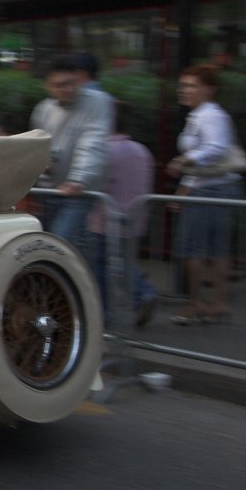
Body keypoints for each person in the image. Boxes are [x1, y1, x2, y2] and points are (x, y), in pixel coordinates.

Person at [164, 64, 246, 326]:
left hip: (213, 189)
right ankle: (215, 303)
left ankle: (197, 303)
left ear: (209, 89)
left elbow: (216, 149)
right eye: (184, 85)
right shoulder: (202, 115)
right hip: (212, 187)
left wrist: (185, 159)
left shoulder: (210, 115)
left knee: (193, 248)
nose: (185, 90)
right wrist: (185, 187)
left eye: (192, 86)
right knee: (212, 249)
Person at [29, 55, 112, 249]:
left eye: (72, 83)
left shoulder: (97, 102)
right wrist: (43, 163)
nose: (68, 89)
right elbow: (38, 143)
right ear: (47, 86)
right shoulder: (43, 109)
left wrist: (79, 179)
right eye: (60, 85)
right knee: (66, 245)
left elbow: (93, 141)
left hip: (79, 191)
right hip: (50, 189)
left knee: (59, 244)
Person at [87, 102, 157, 326]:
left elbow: (97, 183)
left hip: (105, 219)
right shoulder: (140, 150)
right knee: (125, 261)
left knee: (102, 267)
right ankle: (143, 293)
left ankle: (108, 313)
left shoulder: (105, 151)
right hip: (134, 219)